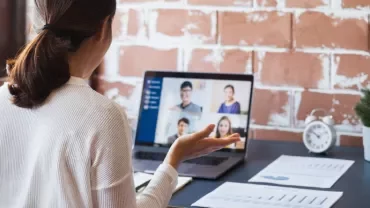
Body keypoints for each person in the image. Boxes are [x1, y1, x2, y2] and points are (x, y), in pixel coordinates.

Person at [0, 0, 241, 207]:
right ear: (103, 29)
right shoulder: (102, 116)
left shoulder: (4, 97)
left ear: (36, 25)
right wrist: (173, 161)